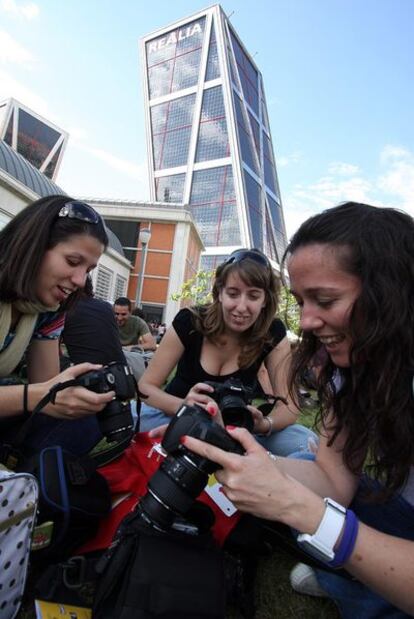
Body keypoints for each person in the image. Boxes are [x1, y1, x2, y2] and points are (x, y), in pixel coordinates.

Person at [168, 203, 414, 618]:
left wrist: (304, 512)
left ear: (391, 292)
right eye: (301, 301)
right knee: (298, 466)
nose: (308, 320)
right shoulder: (347, 372)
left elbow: (315, 496)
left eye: (325, 299)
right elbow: (333, 480)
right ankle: (359, 577)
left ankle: (354, 583)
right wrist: (231, 452)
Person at [139, 248, 317, 456]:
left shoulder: (272, 332)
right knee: (135, 420)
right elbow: (145, 387)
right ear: (220, 293)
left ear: (265, 300)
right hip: (176, 416)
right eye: (233, 294)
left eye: (253, 296)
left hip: (235, 429)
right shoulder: (190, 321)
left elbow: (290, 406)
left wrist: (262, 424)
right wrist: (184, 405)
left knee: (306, 443)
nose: (241, 307)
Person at [0, 195, 115, 433]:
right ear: (33, 246)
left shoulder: (48, 311)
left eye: (88, 270)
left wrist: (75, 394)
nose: (81, 281)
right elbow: (38, 395)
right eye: (73, 261)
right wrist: (32, 397)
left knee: (82, 427)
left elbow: (46, 387)